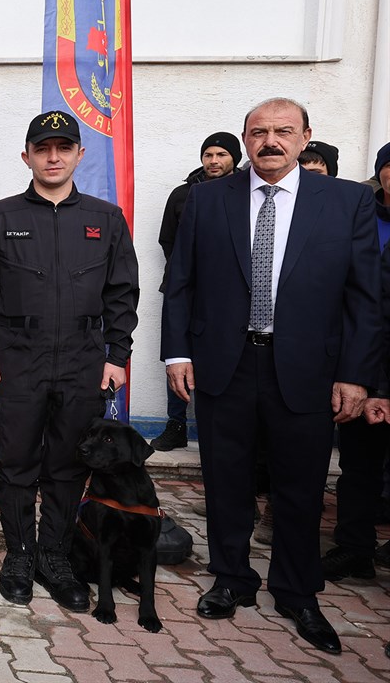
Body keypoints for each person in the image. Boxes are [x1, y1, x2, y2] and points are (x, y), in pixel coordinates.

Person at [162, 97, 379, 655]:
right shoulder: (208, 200)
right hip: (223, 366)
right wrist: (177, 355)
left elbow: (364, 298)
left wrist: (357, 376)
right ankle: (232, 578)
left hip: (308, 368)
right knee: (226, 480)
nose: (270, 142)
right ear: (245, 138)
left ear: (306, 136)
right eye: (259, 132)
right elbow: (180, 282)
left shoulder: (347, 201)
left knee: (301, 487)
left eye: (284, 131)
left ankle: (296, 590)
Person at [0, 109, 139, 612]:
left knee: (67, 464)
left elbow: (122, 292)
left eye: (64, 148)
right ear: (27, 157)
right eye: (43, 149)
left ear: (80, 154)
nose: (53, 156)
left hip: (85, 361)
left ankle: (53, 556)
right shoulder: (0, 217)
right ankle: (18, 555)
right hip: (17, 360)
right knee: (16, 461)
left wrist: (117, 355)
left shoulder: (106, 219)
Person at [321, 140, 390, 582]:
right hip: (367, 369)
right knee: (359, 467)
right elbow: (368, 309)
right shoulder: (356, 212)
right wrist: (370, 382)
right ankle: (355, 548)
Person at [152, 132, 240, 451]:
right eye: (208, 155)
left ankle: (216, 428)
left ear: (235, 158)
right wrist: (186, 277)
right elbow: (168, 241)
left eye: (221, 155)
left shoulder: (246, 193)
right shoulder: (181, 194)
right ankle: (176, 424)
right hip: (185, 290)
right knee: (178, 353)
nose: (214, 161)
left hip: (226, 295)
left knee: (219, 355)